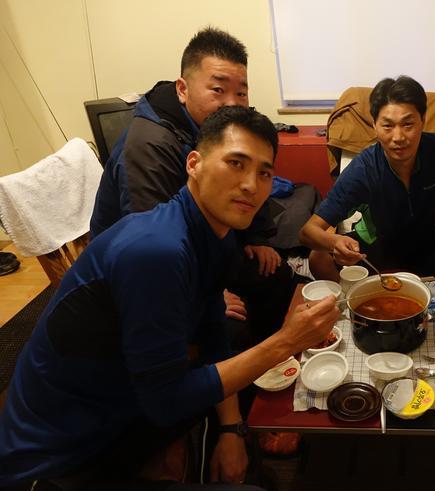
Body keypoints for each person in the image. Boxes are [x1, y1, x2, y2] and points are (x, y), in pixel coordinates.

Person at [0, 106, 339, 491]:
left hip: (123, 408)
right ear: (193, 164)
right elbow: (166, 400)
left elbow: (213, 335)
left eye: (264, 173)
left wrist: (230, 430)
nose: (251, 185)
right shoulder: (156, 251)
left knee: (240, 406)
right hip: (56, 467)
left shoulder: (212, 235)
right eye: (236, 163)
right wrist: (286, 342)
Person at [89, 26, 290, 347]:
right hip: (140, 276)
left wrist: (256, 237)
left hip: (202, 246)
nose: (232, 104)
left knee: (276, 274)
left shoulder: (217, 126)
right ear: (183, 89)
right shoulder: (148, 146)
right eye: (218, 90)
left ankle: (273, 361)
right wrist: (208, 294)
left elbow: (247, 179)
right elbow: (150, 246)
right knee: (229, 328)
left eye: (241, 93)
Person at [299, 75, 435, 283]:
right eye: (388, 126)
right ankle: (363, 297)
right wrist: (334, 241)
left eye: (408, 124)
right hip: (375, 249)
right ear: (375, 125)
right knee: (318, 258)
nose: (398, 137)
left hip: (429, 245)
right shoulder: (363, 170)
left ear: (422, 120)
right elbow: (308, 231)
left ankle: (430, 293)